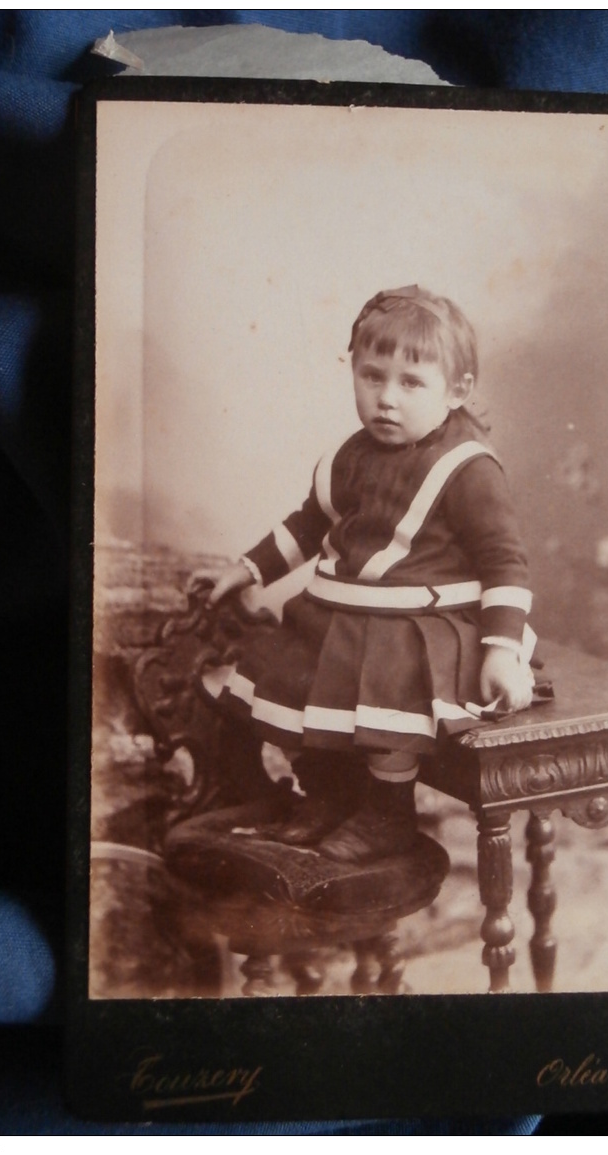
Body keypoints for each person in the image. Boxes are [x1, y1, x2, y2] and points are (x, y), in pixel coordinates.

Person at [196, 285, 544, 865]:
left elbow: (505, 563)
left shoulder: (468, 468)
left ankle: (387, 813)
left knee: (388, 691)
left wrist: (502, 650)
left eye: (411, 384)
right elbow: (311, 524)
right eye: (372, 376)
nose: (386, 400)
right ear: (353, 370)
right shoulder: (351, 456)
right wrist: (246, 568)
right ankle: (331, 794)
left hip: (422, 627)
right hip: (347, 615)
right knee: (287, 675)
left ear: (456, 391)